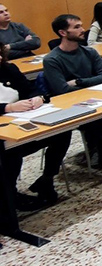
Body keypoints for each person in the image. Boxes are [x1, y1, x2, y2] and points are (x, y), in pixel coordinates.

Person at [0, 46, 70, 211]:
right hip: (5, 130)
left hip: (20, 121)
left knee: (61, 132)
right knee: (10, 153)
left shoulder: (8, 69)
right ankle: (9, 196)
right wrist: (7, 108)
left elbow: (29, 88)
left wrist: (38, 97)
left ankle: (47, 179)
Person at [43, 14, 102, 168]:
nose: (83, 30)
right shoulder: (52, 59)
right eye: (76, 27)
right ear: (63, 33)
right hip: (73, 106)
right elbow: (62, 90)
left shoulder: (90, 52)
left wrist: (78, 81)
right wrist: (92, 82)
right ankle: (99, 152)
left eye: (81, 26)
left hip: (99, 99)